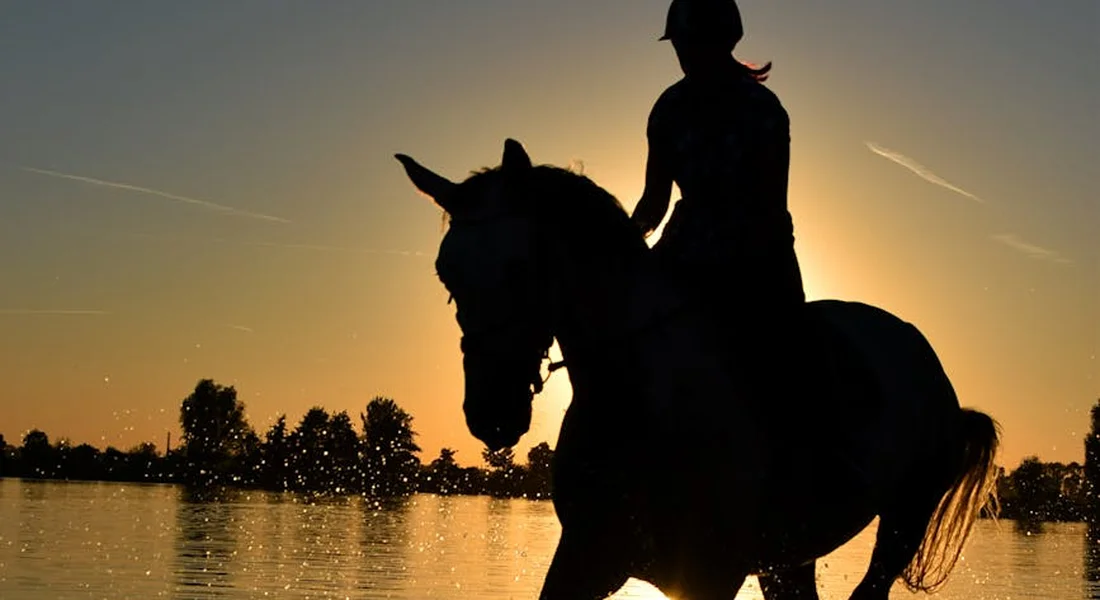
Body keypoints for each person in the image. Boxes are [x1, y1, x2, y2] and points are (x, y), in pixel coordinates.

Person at [631, 0, 810, 408]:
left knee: (795, 361)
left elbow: (769, 204)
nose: (685, 57)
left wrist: (730, 260)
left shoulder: (763, 110)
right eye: (679, 47)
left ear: (722, 42)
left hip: (759, 258)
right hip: (683, 250)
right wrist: (623, 244)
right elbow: (654, 201)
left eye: (692, 45)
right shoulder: (668, 109)